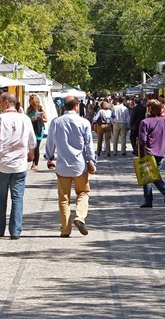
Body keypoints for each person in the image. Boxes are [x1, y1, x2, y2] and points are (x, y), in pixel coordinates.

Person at [0, 92, 36, 240]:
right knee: (17, 198)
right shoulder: (25, 119)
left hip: (1, 165)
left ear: (6, 103)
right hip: (19, 166)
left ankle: (0, 229)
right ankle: (15, 231)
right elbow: (32, 141)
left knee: (0, 198)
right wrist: (31, 154)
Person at [45, 96, 97, 237]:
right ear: (77, 106)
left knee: (64, 198)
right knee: (83, 193)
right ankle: (80, 217)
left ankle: (66, 229)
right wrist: (92, 161)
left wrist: (49, 157)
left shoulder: (56, 122)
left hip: (62, 165)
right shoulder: (84, 122)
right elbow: (88, 145)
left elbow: (50, 142)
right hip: (80, 165)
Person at [137, 100, 165, 207]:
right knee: (150, 176)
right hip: (160, 153)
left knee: (150, 176)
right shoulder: (163, 122)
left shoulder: (145, 122)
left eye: (148, 107)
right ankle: (148, 201)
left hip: (148, 153)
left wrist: (139, 147)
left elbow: (142, 140)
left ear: (151, 109)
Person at [26, 94, 47, 171]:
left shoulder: (40, 109)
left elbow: (46, 119)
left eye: (30, 99)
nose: (29, 101)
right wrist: (31, 119)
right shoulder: (29, 109)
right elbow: (26, 118)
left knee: (37, 147)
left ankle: (36, 164)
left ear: (33, 100)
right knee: (32, 146)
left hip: (39, 129)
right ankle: (33, 162)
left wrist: (39, 119)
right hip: (31, 129)